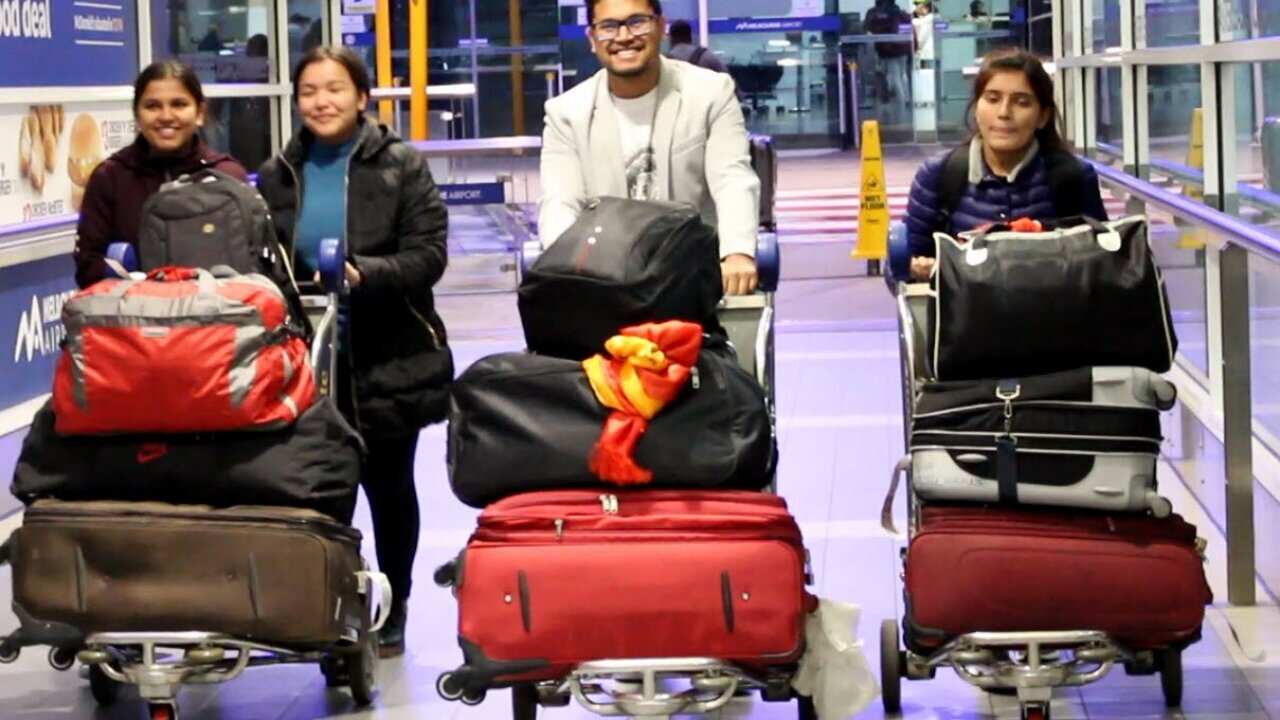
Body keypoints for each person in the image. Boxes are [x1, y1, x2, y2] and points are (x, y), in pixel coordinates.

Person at [256, 46, 453, 658]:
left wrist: (367, 272)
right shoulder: (277, 173)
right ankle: (330, 609)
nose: (322, 101)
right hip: (303, 360)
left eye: (336, 88)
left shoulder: (401, 165)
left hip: (387, 354)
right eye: (310, 90)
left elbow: (429, 256)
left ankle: (394, 606)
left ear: (362, 97)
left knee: (389, 488)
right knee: (321, 491)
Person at [540, 0, 761, 296]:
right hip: (606, 279)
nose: (623, 37)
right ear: (592, 39)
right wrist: (567, 268)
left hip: (694, 274)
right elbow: (560, 202)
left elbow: (732, 179)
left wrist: (737, 253)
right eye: (608, 26)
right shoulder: (566, 113)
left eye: (637, 22)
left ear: (660, 26)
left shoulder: (711, 93)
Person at [902, 48, 1108, 280]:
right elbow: (901, 267)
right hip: (964, 315)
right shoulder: (938, 175)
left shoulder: (1073, 176)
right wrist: (916, 269)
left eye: (1021, 102)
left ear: (1042, 116)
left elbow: (1103, 263)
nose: (1004, 112)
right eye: (992, 99)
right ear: (976, 108)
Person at [73, 61, 248, 288]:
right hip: (136, 318)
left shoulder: (228, 176)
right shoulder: (110, 178)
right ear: (137, 114)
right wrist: (135, 283)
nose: (166, 116)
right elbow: (88, 266)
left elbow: (251, 265)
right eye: (153, 106)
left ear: (200, 113)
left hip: (219, 319)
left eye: (179, 104)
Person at [863, 0, 912, 122]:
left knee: (894, 79)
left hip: (887, 51)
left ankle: (900, 110)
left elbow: (866, 28)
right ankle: (905, 104)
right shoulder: (899, 11)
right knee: (900, 77)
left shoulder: (874, 12)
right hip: (902, 49)